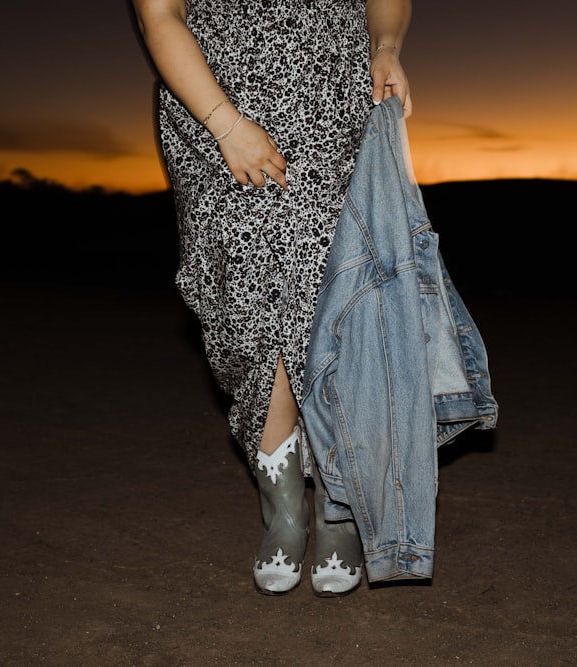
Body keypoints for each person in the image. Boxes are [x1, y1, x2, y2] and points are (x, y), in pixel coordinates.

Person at [130, 0, 412, 596]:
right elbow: (161, 17)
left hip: (330, 102)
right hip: (216, 110)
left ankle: (337, 502)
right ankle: (282, 507)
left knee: (331, 297)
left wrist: (385, 44)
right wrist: (227, 126)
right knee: (248, 307)